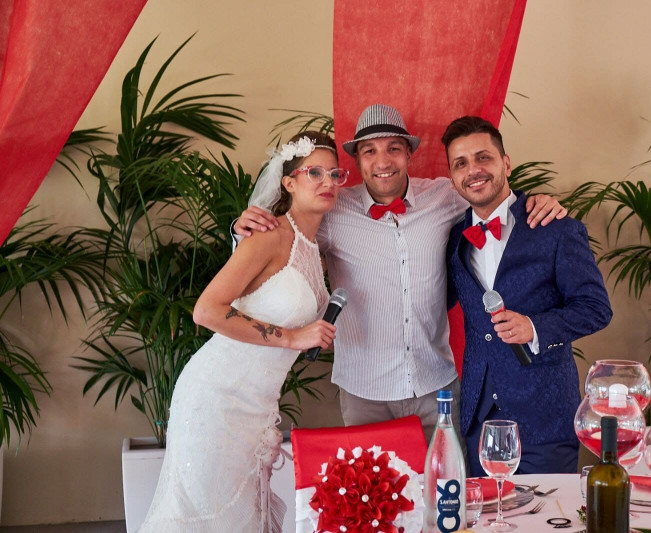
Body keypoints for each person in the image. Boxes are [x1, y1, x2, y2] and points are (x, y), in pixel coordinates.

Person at [234, 104, 566, 442]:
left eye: (393, 148)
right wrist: (243, 229)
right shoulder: (332, 209)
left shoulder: (445, 196)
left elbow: (492, 197)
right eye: (369, 151)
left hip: (435, 385)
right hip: (364, 391)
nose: (383, 162)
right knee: (368, 478)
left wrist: (537, 202)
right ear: (357, 160)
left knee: (445, 475)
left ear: (408, 153)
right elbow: (284, 240)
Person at [140, 132, 343, 532]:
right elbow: (206, 310)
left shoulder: (314, 251)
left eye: (335, 174)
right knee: (203, 518)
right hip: (216, 396)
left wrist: (313, 335)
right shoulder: (269, 235)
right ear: (288, 182)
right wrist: (293, 337)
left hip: (258, 407)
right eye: (314, 172)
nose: (328, 182)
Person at [442, 116, 612, 475]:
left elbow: (596, 308)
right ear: (452, 177)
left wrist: (534, 327)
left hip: (544, 420)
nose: (473, 171)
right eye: (461, 163)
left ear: (506, 163)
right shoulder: (454, 239)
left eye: (483, 157)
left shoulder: (556, 228)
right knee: (485, 511)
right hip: (478, 422)